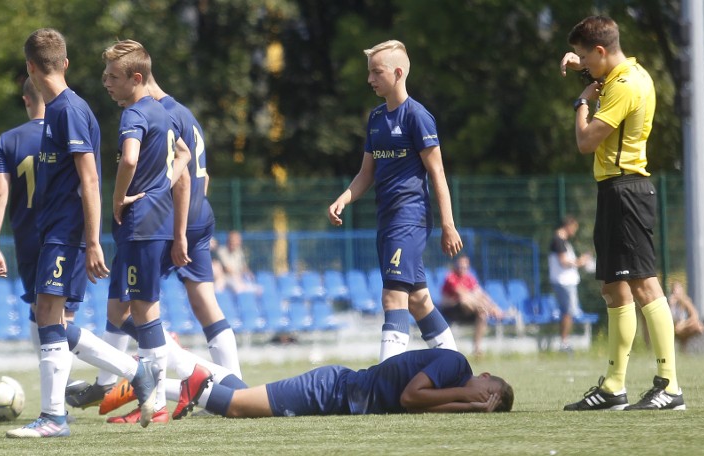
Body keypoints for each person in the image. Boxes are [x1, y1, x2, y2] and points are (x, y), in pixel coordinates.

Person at [67, 39, 242, 426]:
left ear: (136, 77)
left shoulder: (142, 114)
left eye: (112, 76)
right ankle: (219, 381)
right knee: (128, 309)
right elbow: (193, 165)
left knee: (142, 310)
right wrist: (165, 191)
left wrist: (122, 197)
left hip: (150, 221)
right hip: (181, 215)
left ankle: (162, 392)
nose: (104, 83)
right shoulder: (176, 114)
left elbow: (132, 159)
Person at [7, 29, 157, 438]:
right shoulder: (57, 108)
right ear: (66, 63)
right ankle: (135, 371)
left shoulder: (68, 110)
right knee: (46, 316)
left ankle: (54, 418)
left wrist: (92, 241)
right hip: (55, 231)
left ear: (30, 67)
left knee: (48, 316)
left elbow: (89, 180)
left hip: (67, 231)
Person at [560, 16, 684, 411]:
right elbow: (598, 69)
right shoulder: (622, 72)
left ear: (601, 51)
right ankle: (614, 387)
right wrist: (579, 65)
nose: (583, 64)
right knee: (614, 288)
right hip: (614, 191)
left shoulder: (625, 85)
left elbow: (585, 141)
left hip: (628, 190)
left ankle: (669, 385)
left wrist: (582, 103)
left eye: (585, 56)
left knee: (646, 285)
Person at [327, 40, 463, 362]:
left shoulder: (418, 117)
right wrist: (344, 198)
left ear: (398, 73)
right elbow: (365, 173)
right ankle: (456, 366)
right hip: (387, 220)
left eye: (377, 72)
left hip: (410, 217)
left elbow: (438, 173)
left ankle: (387, 379)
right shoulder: (375, 118)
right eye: (369, 72)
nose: (370, 79)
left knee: (392, 297)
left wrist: (448, 224)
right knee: (418, 300)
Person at [0, 77, 86, 400]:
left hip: (28, 238)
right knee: (58, 315)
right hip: (65, 234)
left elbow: (0, 192)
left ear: (26, 100)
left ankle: (65, 389)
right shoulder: (65, 133)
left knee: (42, 312)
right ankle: (63, 390)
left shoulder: (10, 139)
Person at [191, 348, 513, 417]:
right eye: (490, 393)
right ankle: (177, 382)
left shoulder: (448, 395)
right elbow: (410, 397)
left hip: (339, 395)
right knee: (236, 408)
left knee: (245, 398)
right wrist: (469, 402)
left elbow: (421, 402)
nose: (485, 397)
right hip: (332, 389)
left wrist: (468, 406)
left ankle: (187, 372)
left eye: (489, 402)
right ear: (484, 377)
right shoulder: (456, 364)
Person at [440, 255, 504, 356]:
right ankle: (488, 310)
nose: (462, 269)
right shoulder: (451, 277)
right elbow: (461, 293)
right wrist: (484, 304)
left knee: (482, 314)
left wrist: (493, 306)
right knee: (465, 300)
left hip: (469, 310)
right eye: (460, 266)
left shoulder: (469, 278)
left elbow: (481, 294)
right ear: (456, 265)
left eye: (464, 267)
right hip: (452, 309)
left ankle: (477, 349)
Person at [547, 215, 592, 352]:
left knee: (568, 312)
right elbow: (564, 262)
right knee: (568, 312)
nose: (574, 231)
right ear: (568, 225)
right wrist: (580, 262)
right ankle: (564, 342)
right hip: (563, 282)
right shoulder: (558, 240)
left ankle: (565, 341)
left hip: (567, 282)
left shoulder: (563, 241)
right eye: (574, 228)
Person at [666, 281, 704, 352]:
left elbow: (695, 315)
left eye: (678, 290)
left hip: (682, 327)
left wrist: (683, 324)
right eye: (674, 290)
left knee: (698, 326)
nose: (676, 293)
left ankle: (688, 348)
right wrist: (670, 304)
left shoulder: (686, 302)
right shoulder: (668, 302)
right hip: (671, 327)